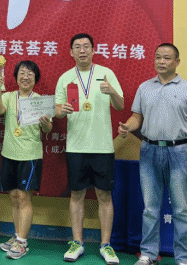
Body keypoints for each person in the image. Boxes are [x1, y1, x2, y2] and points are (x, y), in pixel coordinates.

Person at [119, 43, 187, 266]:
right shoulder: (145, 87)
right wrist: (128, 126)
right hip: (149, 151)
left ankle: (184, 259)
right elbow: (137, 118)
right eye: (158, 57)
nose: (161, 61)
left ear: (177, 62)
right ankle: (148, 254)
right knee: (150, 208)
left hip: (180, 153)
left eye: (167, 58)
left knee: (182, 209)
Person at [55, 33, 124, 265]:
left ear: (94, 50)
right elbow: (57, 111)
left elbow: (120, 105)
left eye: (86, 46)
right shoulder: (65, 78)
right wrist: (62, 110)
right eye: (77, 47)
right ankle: (77, 242)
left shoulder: (107, 74)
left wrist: (111, 91)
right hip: (76, 147)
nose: (82, 50)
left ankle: (105, 245)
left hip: (102, 147)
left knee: (104, 195)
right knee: (77, 194)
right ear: (71, 52)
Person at [0, 60, 53, 260]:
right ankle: (17, 235)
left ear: (36, 79)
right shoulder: (9, 96)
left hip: (30, 155)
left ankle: (23, 243)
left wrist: (45, 122)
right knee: (13, 197)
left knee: (24, 198)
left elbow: (48, 129)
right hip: (9, 153)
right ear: (16, 77)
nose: (25, 77)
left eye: (30, 74)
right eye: (22, 73)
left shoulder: (40, 101)